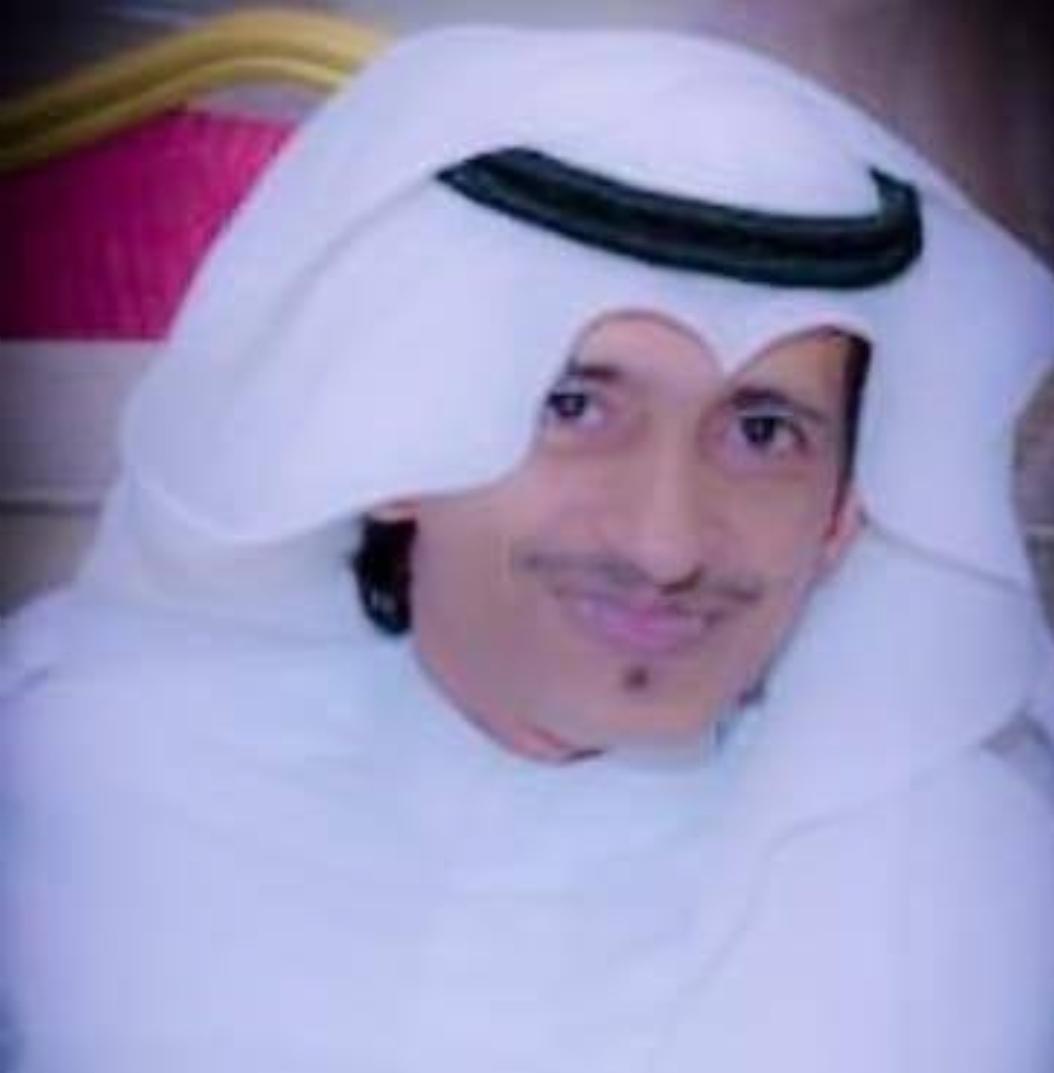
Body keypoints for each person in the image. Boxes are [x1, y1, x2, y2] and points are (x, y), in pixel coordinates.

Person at [2, 25, 1053, 1073]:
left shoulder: (981, 898)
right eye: (575, 406)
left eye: (763, 431)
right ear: (390, 437)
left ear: (843, 515)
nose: (665, 545)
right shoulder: (65, 792)